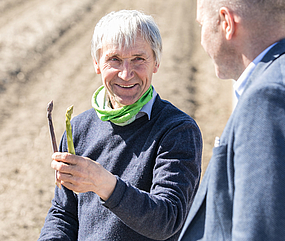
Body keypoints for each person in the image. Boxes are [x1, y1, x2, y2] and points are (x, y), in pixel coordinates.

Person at [38, 10, 202, 241]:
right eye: (114, 59)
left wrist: (103, 183)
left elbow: (167, 220)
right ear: (97, 64)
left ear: (156, 62)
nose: (126, 74)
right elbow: (64, 212)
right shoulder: (78, 129)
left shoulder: (177, 130)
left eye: (138, 59)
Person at [179, 0, 285, 240]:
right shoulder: (284, 80)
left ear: (227, 23)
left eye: (202, 24)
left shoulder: (269, 99)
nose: (201, 38)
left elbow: (262, 232)